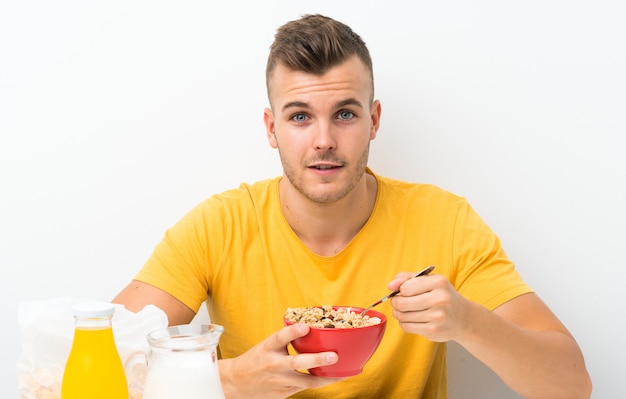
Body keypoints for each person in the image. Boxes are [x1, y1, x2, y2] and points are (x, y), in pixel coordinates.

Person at [113, 14, 592, 399]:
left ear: (374, 120)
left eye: (344, 113)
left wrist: (469, 322)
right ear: (271, 128)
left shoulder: (444, 222)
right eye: (300, 116)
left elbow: (571, 386)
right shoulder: (219, 226)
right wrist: (229, 383)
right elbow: (93, 367)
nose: (324, 141)